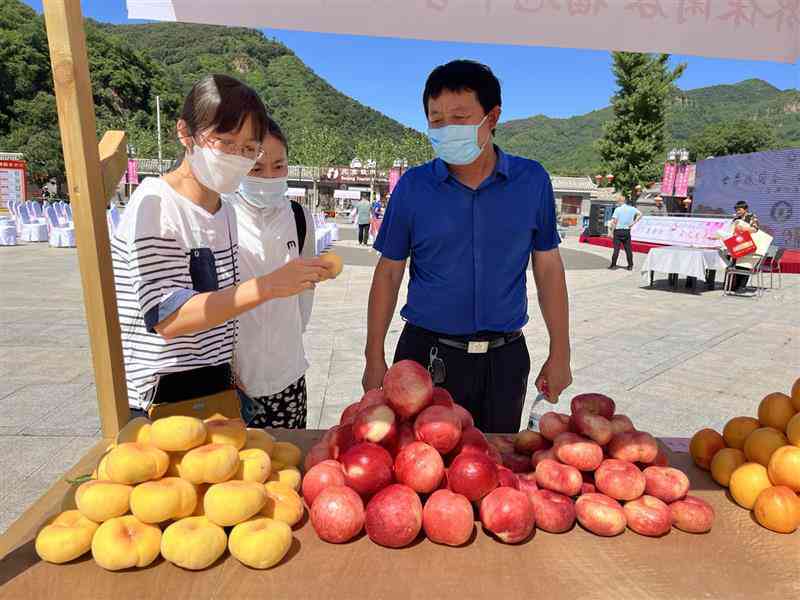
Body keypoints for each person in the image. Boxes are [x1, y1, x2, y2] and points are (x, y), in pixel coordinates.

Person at [362, 60, 571, 433]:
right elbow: (389, 272)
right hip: (425, 358)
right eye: (436, 119)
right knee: (419, 467)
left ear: (492, 117)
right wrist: (373, 355)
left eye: (459, 117)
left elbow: (548, 269)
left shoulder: (531, 181)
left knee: (495, 463)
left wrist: (561, 351)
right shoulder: (413, 187)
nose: (446, 129)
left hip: (503, 360)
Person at [111, 74, 329, 417]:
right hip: (158, 401)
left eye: (247, 149)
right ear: (185, 133)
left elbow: (220, 309)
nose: (237, 157)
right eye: (225, 142)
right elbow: (168, 317)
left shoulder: (223, 210)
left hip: (213, 395)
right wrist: (269, 286)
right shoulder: (156, 203)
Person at [227, 117, 316, 428]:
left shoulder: (299, 217)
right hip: (232, 382)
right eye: (256, 168)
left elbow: (306, 293)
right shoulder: (219, 216)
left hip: (286, 377)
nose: (269, 177)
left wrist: (284, 337)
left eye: (279, 166)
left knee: (287, 467)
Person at [608, 195, 641, 270]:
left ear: (620, 201)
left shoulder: (618, 209)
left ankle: (613, 265)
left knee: (616, 249)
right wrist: (633, 222)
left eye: (618, 201)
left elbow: (614, 221)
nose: (617, 203)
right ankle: (630, 265)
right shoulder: (632, 209)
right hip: (627, 230)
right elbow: (640, 214)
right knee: (628, 249)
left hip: (618, 230)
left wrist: (611, 232)